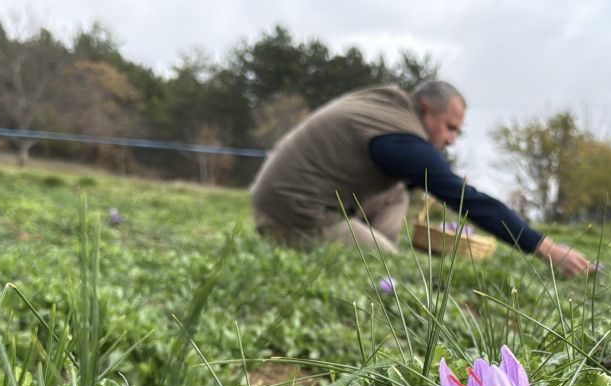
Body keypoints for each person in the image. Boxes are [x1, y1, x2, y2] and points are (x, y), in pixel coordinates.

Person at [250, 81, 593, 276]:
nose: (452, 140)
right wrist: (547, 249)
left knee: (398, 193)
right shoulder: (399, 137)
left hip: (292, 196)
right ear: (426, 109)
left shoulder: (387, 109)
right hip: (293, 214)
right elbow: (466, 199)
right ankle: (377, 253)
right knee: (388, 263)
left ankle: (371, 241)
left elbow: (408, 179)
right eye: (449, 127)